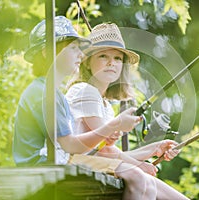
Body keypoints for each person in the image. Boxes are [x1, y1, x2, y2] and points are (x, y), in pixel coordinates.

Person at [66, 23, 189, 200]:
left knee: (148, 183)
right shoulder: (85, 91)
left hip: (93, 160)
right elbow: (105, 151)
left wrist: (154, 148)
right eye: (103, 56)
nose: (111, 63)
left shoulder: (104, 103)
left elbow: (107, 150)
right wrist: (138, 165)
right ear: (87, 62)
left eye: (117, 58)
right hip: (74, 161)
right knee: (141, 178)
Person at [12, 16, 140, 166]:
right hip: (41, 168)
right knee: (130, 174)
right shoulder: (41, 93)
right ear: (47, 52)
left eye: (118, 58)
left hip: (57, 164)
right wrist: (115, 125)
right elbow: (70, 146)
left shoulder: (55, 94)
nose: (80, 54)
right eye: (73, 48)